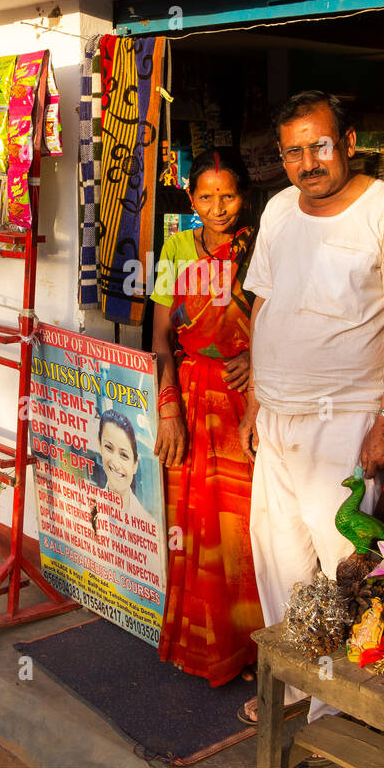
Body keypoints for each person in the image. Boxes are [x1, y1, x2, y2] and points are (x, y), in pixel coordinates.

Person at [237, 90, 384, 724]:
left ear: (349, 142)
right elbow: (264, 305)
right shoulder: (276, 209)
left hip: (345, 421)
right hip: (274, 417)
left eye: (319, 146)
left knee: (343, 562)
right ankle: (299, 682)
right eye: (294, 152)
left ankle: (341, 710)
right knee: (278, 557)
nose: (309, 162)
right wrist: (253, 401)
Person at [151, 148, 264, 687]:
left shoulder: (261, 248)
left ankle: (251, 648)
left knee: (245, 529)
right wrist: (168, 407)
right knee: (192, 526)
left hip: (245, 403)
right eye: (206, 197)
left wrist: (256, 358)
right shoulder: (175, 247)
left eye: (229, 195)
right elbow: (161, 339)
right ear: (190, 198)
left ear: (244, 196)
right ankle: (202, 643)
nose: (219, 209)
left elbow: (281, 321)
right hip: (191, 403)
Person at [94, 409, 152, 530]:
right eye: (109, 447)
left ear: (135, 464)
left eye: (124, 455)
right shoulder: (88, 508)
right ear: (99, 445)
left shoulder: (151, 528)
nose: (115, 463)